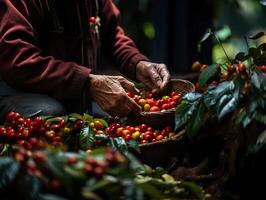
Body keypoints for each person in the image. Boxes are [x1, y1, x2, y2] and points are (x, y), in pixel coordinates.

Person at [0, 0, 170, 119]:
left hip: (72, 92)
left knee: (124, 115)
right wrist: (86, 82)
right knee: (51, 114)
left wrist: (137, 63)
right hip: (16, 90)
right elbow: (17, 60)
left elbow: (112, 36)